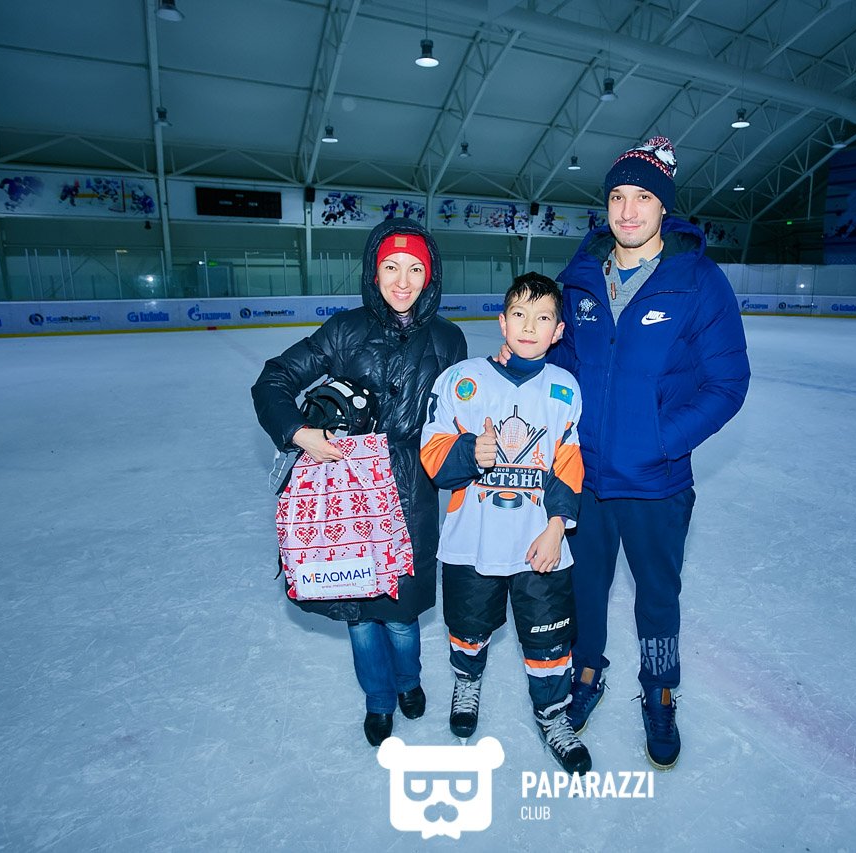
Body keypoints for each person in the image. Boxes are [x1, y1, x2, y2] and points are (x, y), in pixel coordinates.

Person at [549, 136, 750, 769]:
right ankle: (586, 672)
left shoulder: (699, 281)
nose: (628, 210)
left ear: (664, 206)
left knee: (657, 597)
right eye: (617, 196)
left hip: (656, 483)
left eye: (642, 197)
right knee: (585, 587)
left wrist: (661, 441)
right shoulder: (580, 276)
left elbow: (728, 383)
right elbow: (560, 362)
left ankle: (660, 690)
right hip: (585, 476)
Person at [252, 218, 467, 747]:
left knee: (401, 613)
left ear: (430, 275)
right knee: (361, 614)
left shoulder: (448, 339)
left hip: (412, 491)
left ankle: (409, 681)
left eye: (415, 268)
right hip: (346, 489)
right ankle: (378, 699)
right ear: (374, 271)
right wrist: (299, 432)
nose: (402, 280)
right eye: (391, 267)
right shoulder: (345, 330)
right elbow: (274, 379)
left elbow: (459, 415)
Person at [420, 273, 590, 774]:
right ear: (502, 322)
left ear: (558, 331)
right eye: (519, 315)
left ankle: (553, 716)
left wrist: (557, 527)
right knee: (468, 628)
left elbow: (568, 463)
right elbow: (433, 455)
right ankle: (467, 682)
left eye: (543, 318)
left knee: (548, 640)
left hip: (540, 545)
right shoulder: (462, 380)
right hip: (472, 542)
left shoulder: (564, 388)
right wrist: (470, 452)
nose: (529, 327)